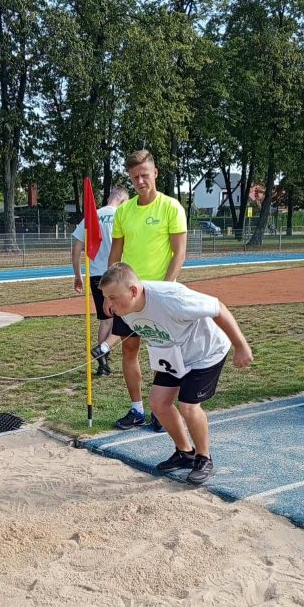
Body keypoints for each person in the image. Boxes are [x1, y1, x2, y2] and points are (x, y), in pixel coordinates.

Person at [98, 262, 253, 484]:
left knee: (188, 406)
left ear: (133, 291)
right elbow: (122, 336)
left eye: (112, 297)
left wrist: (241, 346)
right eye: (105, 297)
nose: (108, 304)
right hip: (172, 353)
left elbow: (218, 307)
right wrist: (104, 340)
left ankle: (204, 458)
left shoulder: (172, 298)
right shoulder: (122, 308)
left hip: (205, 352)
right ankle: (185, 452)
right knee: (158, 403)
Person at [92, 149, 187, 428]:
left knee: (162, 353)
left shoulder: (171, 207)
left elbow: (179, 253)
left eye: (144, 175)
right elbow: (115, 255)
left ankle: (161, 410)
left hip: (158, 295)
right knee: (129, 350)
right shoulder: (124, 211)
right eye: (135, 177)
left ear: (155, 173)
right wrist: (109, 294)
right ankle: (137, 410)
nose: (140, 181)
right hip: (128, 297)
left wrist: (166, 289)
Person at [72, 186, 129, 375]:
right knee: (126, 318)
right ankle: (105, 348)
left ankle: (102, 364)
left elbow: (76, 249)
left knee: (105, 321)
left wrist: (78, 275)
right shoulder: (123, 216)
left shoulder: (91, 216)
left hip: (96, 275)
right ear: (123, 201)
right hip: (117, 274)